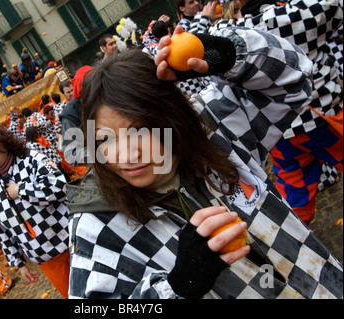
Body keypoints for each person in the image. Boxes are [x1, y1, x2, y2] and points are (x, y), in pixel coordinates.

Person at [67, 30, 342, 299]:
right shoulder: (96, 226)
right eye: (105, 139)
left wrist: (227, 54)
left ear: (171, 116)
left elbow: (296, 77)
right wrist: (176, 288)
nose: (126, 155)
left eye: (141, 129)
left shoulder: (214, 127)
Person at [208, 0, 343, 224]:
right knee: (295, 186)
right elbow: (330, 6)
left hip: (278, 131)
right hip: (321, 117)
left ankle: (295, 242)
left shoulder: (225, 30)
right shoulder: (292, 14)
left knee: (294, 190)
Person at [0, 125, 71, 298]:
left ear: (3, 141)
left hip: (74, 242)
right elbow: (1, 230)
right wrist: (18, 262)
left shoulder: (31, 159)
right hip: (45, 257)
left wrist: (22, 190)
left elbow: (59, 187)